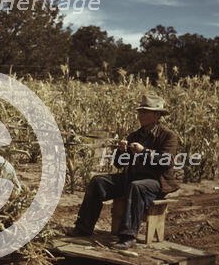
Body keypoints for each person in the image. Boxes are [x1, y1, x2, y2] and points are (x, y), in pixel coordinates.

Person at [67, 94, 179, 249]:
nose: (140, 115)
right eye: (140, 112)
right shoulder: (135, 135)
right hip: (132, 178)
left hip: (156, 182)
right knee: (98, 182)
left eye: (145, 112)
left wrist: (143, 151)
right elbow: (119, 163)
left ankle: (128, 236)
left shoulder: (168, 136)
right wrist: (121, 151)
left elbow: (166, 161)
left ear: (157, 115)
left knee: (137, 186)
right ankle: (83, 228)